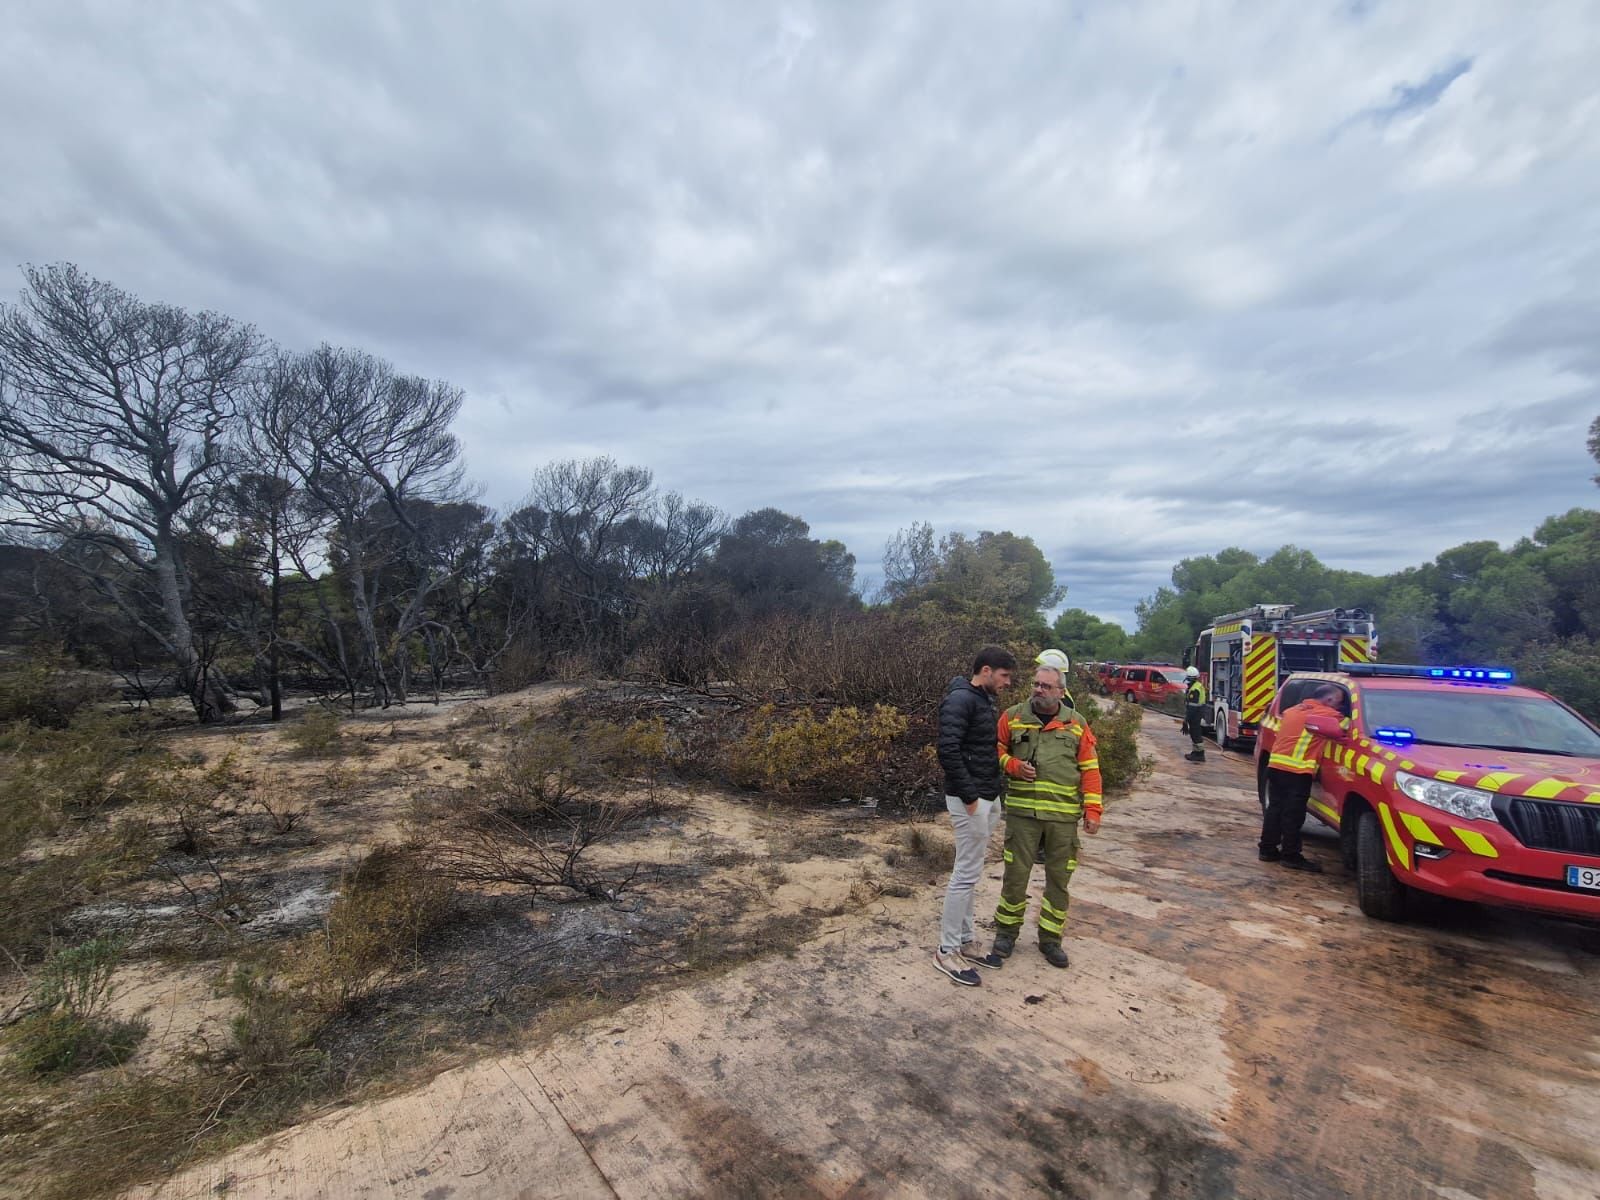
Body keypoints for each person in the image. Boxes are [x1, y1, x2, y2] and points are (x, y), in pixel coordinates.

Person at [987, 661, 1103, 969]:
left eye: (1046, 686)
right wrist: (1011, 765)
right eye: (1036, 684)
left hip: (1063, 819)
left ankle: (1051, 940)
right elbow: (994, 749)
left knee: (1059, 880)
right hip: (1023, 815)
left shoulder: (1076, 723)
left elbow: (1090, 769)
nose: (1039, 690)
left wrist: (1093, 810)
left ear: (1061, 692)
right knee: (1015, 875)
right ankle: (1006, 934)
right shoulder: (1012, 717)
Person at [932, 644, 1018, 986]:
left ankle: (965, 941)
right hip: (970, 798)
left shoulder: (982, 699)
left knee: (970, 871)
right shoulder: (961, 700)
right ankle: (946, 950)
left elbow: (979, 748)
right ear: (985, 670)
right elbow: (948, 750)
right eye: (1004, 675)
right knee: (965, 874)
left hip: (986, 795)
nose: (1008, 682)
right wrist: (970, 796)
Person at [1260, 683, 1350, 872]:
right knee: (1293, 814)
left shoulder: (1292, 710)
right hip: (1296, 771)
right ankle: (1291, 856)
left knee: (1275, 809)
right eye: (1340, 703)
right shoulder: (1326, 715)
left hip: (1276, 766)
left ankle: (1267, 850)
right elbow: (1347, 728)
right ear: (1329, 700)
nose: (1339, 708)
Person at [1182, 666, 1207, 762]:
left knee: (1195, 733)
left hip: (1195, 714)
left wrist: (1186, 720)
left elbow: (1192, 707)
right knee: (1194, 733)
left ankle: (1200, 755)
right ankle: (1195, 752)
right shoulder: (1197, 685)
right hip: (1198, 712)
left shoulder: (1194, 690)